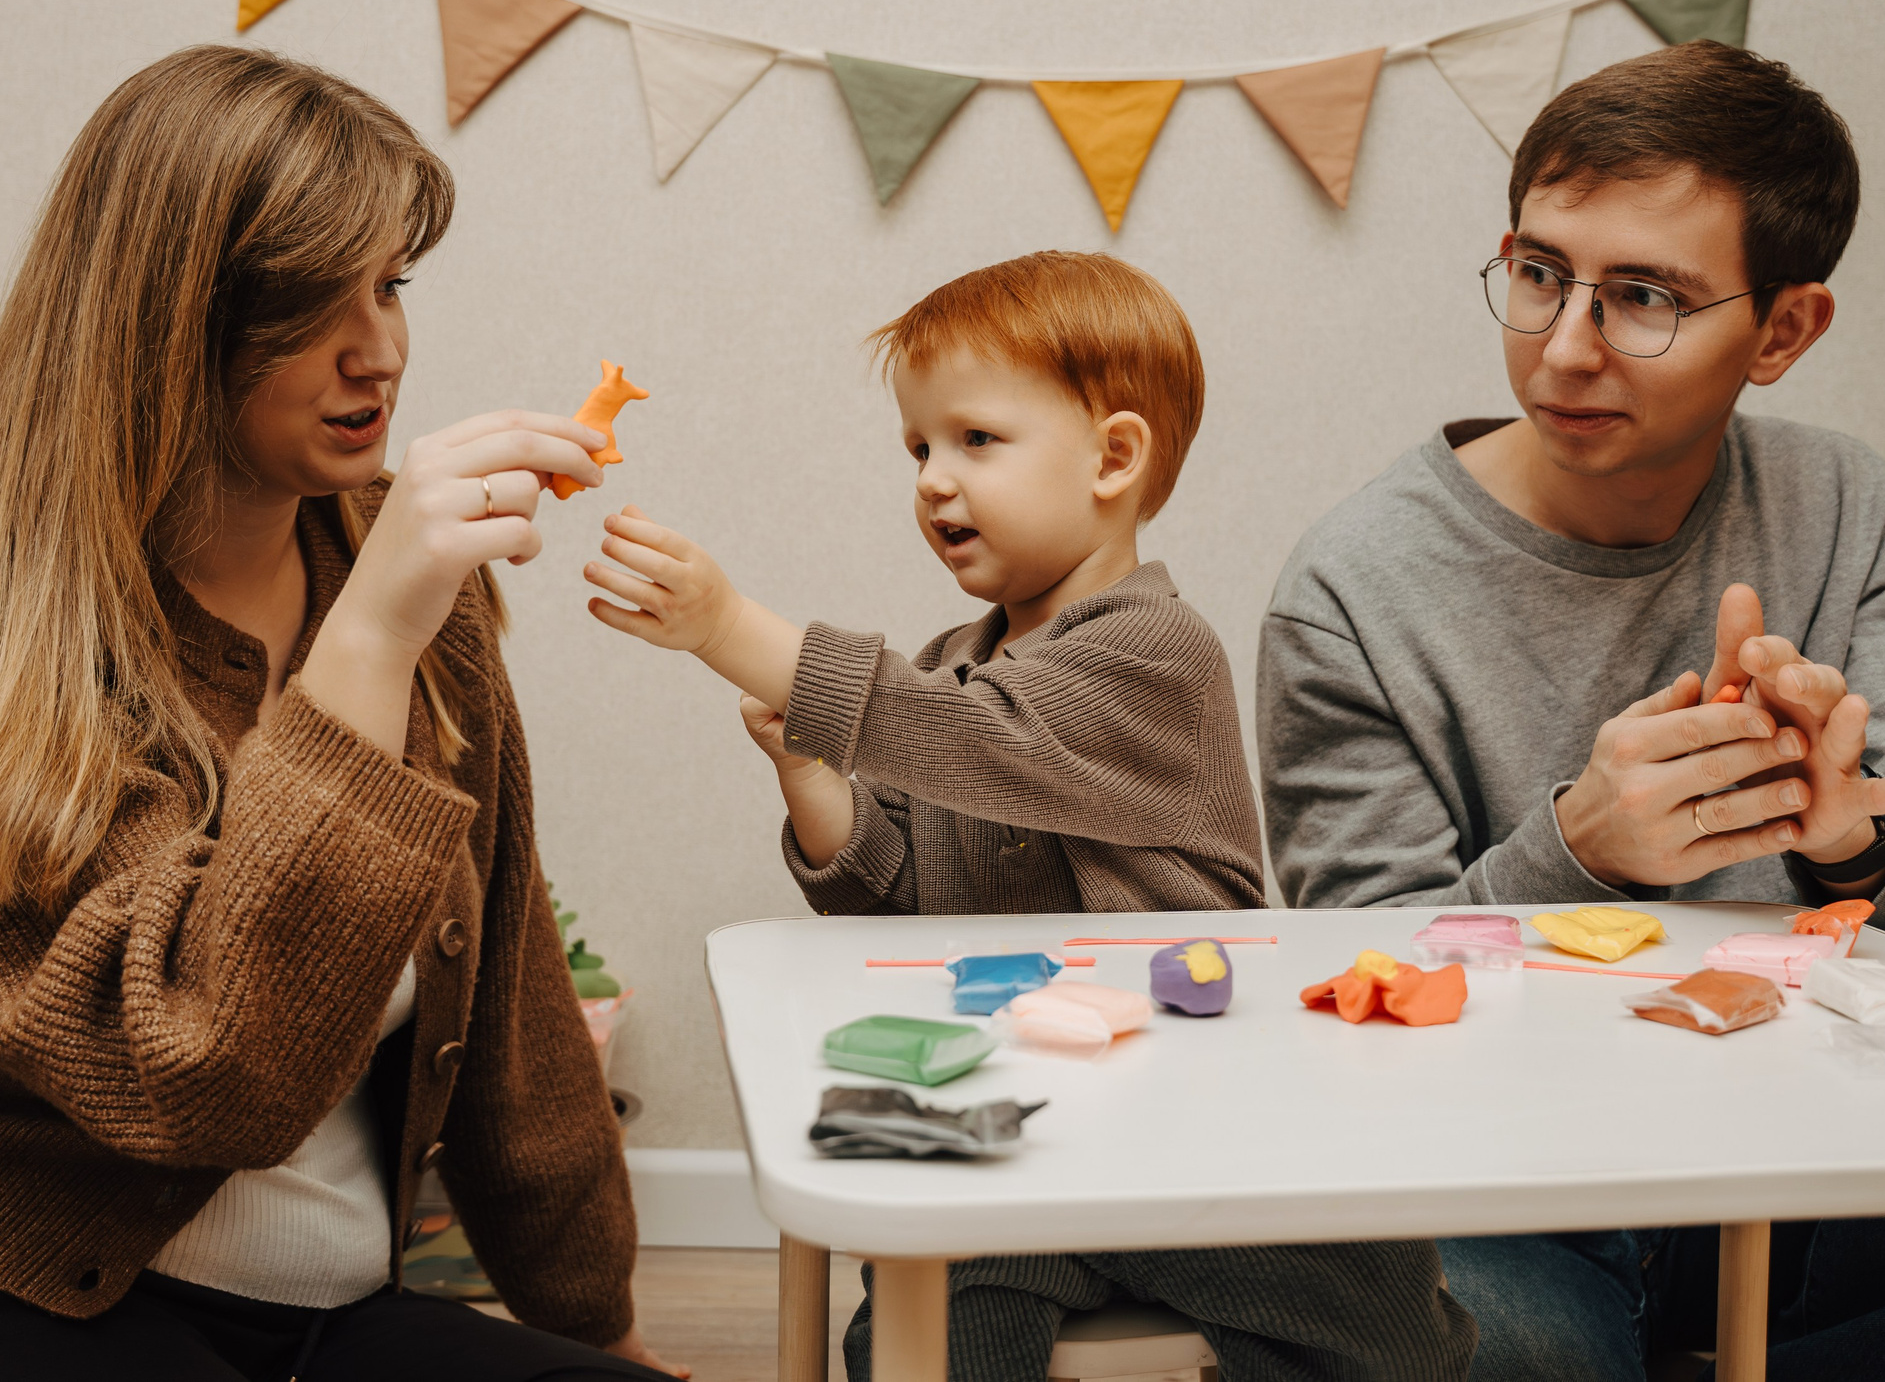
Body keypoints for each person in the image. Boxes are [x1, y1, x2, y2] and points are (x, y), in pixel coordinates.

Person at [0, 46, 683, 1382]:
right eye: (306, 300)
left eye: (390, 283)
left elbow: (511, 1006)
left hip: (313, 1318)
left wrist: (603, 1330)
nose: (379, 347)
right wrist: (370, 641)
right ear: (166, 317)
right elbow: (197, 1070)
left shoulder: (403, 586)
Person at [1255, 41, 1885, 1382]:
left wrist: (1854, 836)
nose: (1565, 345)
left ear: (1786, 329)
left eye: (1644, 297)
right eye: (1538, 273)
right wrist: (1579, 847)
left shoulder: (1843, 502)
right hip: (1524, 1189)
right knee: (1495, 1336)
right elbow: (1360, 981)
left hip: (1811, 1149)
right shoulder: (1351, 585)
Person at [583, 251, 1476, 1382]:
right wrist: (815, 781)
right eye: (917, 448)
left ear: (1113, 458)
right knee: (917, 1336)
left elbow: (981, 739)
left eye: (975, 441)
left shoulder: (1154, 651)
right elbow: (888, 905)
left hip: (1189, 1129)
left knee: (1388, 1324)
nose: (931, 480)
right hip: (1016, 1133)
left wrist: (727, 626)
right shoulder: (944, 668)